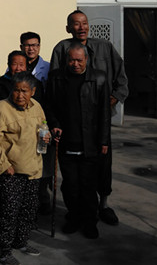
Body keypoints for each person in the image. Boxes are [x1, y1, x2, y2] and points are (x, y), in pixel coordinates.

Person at [50, 10, 128, 225]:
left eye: (84, 23)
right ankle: (76, 210)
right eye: (76, 24)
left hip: (98, 121)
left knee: (102, 164)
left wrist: (112, 98)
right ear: (68, 28)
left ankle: (103, 205)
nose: (81, 27)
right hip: (72, 120)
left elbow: (121, 77)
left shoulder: (105, 47)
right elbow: (56, 83)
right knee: (74, 171)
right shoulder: (62, 48)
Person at [46, 42, 111, 239]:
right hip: (66, 142)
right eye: (72, 60)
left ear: (86, 60)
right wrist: (54, 123)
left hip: (90, 143)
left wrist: (104, 141)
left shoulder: (99, 78)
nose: (75, 64)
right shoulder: (56, 77)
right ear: (66, 59)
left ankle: (90, 221)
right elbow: (49, 106)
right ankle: (74, 217)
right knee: (71, 186)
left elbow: (104, 113)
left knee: (88, 186)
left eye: (79, 60)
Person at [0, 72, 50, 264]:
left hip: (33, 168)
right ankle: (2, 251)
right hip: (11, 171)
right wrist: (3, 165)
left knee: (28, 210)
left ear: (33, 91)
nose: (20, 95)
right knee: (9, 213)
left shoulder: (37, 106)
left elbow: (43, 128)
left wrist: (46, 137)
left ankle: (20, 242)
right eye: (16, 90)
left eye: (24, 91)